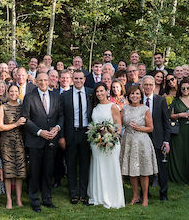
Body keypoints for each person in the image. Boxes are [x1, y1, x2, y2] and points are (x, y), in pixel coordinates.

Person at [22, 71, 62, 212]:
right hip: (35, 141)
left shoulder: (56, 96)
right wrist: (40, 132)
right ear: (36, 82)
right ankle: (34, 201)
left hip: (51, 140)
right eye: (40, 80)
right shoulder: (29, 97)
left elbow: (60, 116)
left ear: (49, 81)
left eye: (46, 80)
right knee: (34, 172)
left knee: (48, 172)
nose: (43, 83)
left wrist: (57, 128)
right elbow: (25, 119)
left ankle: (47, 199)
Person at [86, 83, 125, 208]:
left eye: (101, 91)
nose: (99, 94)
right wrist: (98, 138)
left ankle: (112, 198)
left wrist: (109, 137)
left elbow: (118, 126)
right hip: (96, 143)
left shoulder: (113, 106)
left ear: (107, 91)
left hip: (111, 143)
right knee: (99, 167)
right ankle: (98, 196)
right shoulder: (95, 107)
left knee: (110, 168)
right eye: (97, 92)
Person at [119, 85, 158, 206]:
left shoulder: (145, 109)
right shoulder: (124, 108)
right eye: (132, 94)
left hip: (142, 141)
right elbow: (119, 124)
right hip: (128, 140)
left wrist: (139, 128)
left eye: (137, 94)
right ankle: (135, 195)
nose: (134, 96)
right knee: (132, 170)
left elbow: (151, 128)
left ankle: (145, 196)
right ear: (129, 96)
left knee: (143, 171)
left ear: (141, 96)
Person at [61, 70, 93, 204]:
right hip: (71, 133)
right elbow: (61, 116)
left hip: (87, 133)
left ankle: (83, 194)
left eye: (81, 78)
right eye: (76, 78)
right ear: (72, 80)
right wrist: (61, 136)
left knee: (85, 165)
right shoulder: (65, 95)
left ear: (84, 79)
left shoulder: (91, 93)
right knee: (71, 164)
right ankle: (73, 194)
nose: (78, 81)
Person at [141, 75, 174, 201]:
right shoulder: (138, 100)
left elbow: (166, 122)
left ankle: (163, 194)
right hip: (143, 138)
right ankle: (145, 193)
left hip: (158, 139)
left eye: (150, 85)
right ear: (142, 86)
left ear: (154, 87)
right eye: (146, 84)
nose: (148, 87)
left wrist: (166, 141)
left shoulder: (161, 100)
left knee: (161, 169)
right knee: (144, 168)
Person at [0, 83, 27, 208]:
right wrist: (16, 124)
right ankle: (9, 199)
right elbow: (0, 126)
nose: (13, 94)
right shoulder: (3, 107)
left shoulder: (22, 107)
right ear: (8, 93)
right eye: (11, 92)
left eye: (16, 91)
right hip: (6, 143)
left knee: (20, 172)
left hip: (19, 142)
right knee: (8, 172)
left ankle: (18, 199)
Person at [168, 80, 189, 183]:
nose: (186, 90)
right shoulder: (176, 100)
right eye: (183, 88)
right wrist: (180, 115)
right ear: (180, 89)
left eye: (188, 88)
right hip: (179, 130)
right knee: (179, 152)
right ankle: (178, 176)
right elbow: (170, 115)